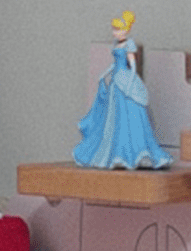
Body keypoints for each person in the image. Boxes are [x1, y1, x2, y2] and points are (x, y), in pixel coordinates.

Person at [72, 11, 172, 170]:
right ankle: (115, 150)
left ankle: (134, 151)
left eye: (119, 29)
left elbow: (132, 66)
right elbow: (115, 64)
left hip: (125, 79)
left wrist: (130, 82)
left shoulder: (129, 45)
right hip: (116, 81)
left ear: (126, 30)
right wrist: (104, 74)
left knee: (129, 115)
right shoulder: (116, 45)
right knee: (114, 116)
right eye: (115, 29)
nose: (116, 32)